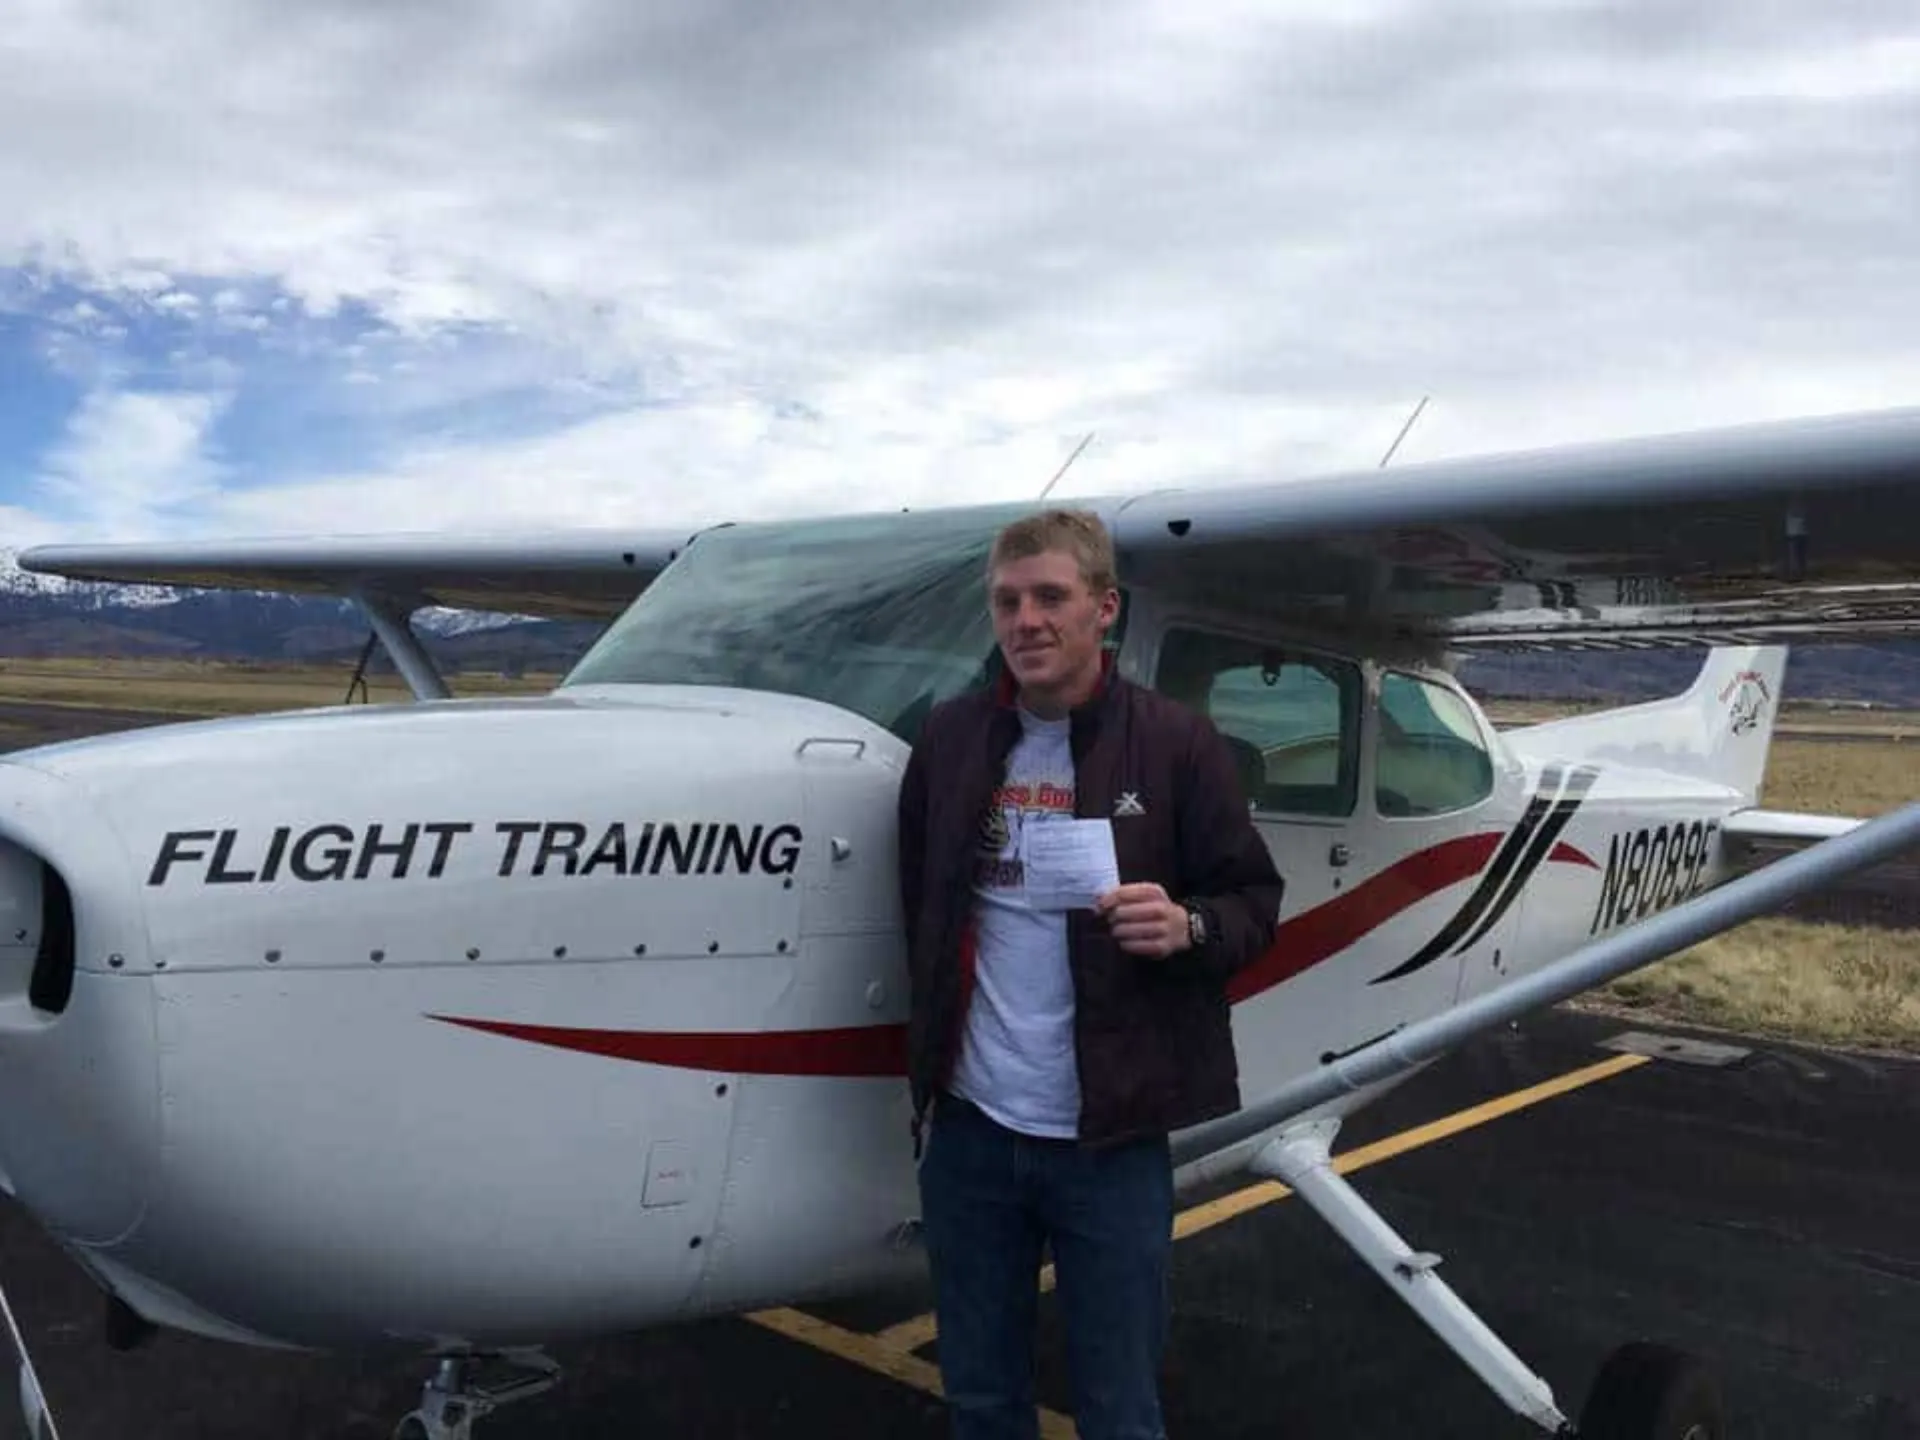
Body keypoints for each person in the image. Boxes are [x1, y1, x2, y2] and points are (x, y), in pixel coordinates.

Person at [895, 508, 1285, 1440]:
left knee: (1118, 1409)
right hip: (972, 1134)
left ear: (1104, 609)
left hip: (1108, 1142)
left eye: (1051, 597)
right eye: (1007, 601)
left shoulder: (1178, 744)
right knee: (980, 1397)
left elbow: (1253, 901)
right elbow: (919, 897)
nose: (1026, 621)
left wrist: (1188, 924)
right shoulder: (949, 740)